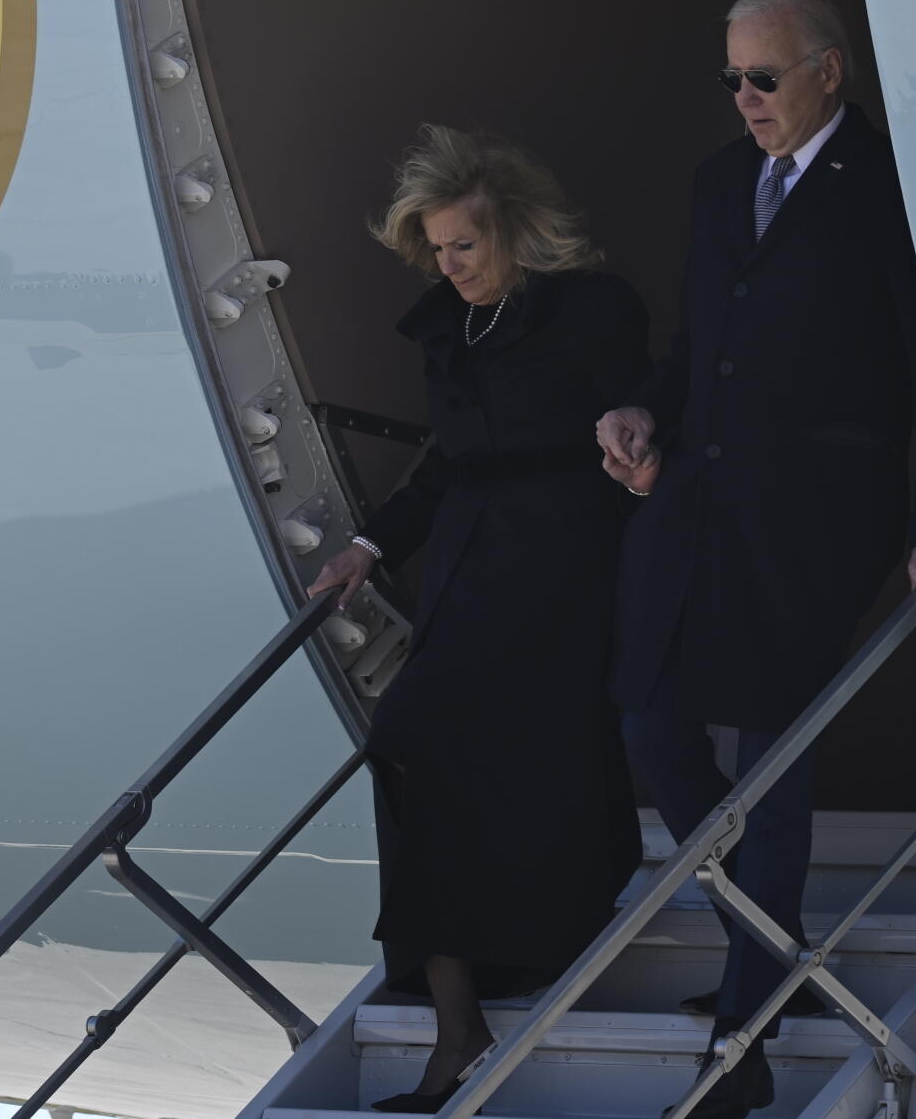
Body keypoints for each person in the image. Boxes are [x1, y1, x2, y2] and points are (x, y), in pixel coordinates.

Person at [596, 0, 916, 1119]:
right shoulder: (721, 183)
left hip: (820, 513)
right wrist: (641, 411)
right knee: (647, 720)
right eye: (731, 80)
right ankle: (770, 952)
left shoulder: (890, 190)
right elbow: (698, 344)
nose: (745, 100)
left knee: (772, 754)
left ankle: (742, 1030)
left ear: (828, 71)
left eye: (763, 78)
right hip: (700, 500)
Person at [310, 126, 649, 1114]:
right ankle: (457, 1017)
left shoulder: (590, 308)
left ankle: (513, 974)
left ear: (510, 227)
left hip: (564, 563)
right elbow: (444, 463)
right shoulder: (445, 331)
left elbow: (639, 418)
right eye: (436, 248)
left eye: (463, 243)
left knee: (535, 750)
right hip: (469, 564)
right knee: (404, 741)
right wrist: (369, 549)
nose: (448, 264)